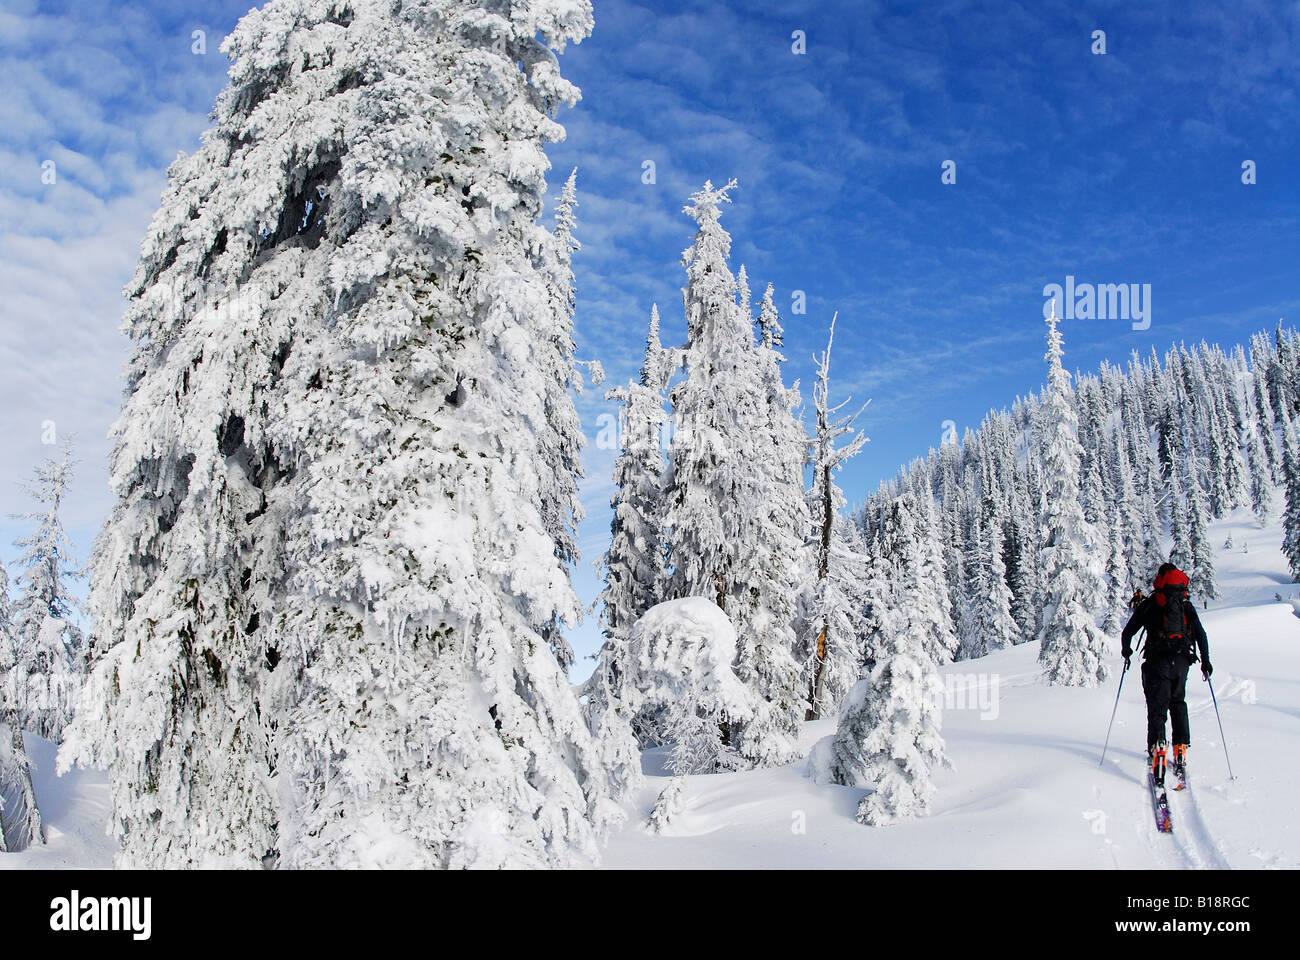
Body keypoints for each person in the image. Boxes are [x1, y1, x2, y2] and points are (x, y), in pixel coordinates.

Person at [1120, 562, 1212, 785]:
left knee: (1157, 707)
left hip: (1156, 661)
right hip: (1182, 660)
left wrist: (1127, 651)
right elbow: (1201, 634)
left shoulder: (1151, 604)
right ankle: (1180, 748)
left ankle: (1158, 747)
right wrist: (1206, 662)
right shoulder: (1184, 604)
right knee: (1178, 701)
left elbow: (1128, 631)